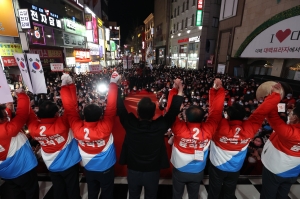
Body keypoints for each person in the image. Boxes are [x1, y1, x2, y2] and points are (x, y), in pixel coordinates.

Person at [208, 83, 282, 199]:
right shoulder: (250, 127)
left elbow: (215, 111)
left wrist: (217, 90)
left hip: (217, 166)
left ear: (227, 116)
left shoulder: (220, 126)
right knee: (230, 190)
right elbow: (261, 112)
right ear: (244, 116)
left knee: (214, 190)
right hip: (235, 167)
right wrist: (276, 95)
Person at [117, 78, 184, 199]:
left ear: (137, 111)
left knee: (133, 195)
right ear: (154, 113)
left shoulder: (130, 124)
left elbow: (120, 108)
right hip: (152, 171)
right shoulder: (160, 126)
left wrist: (114, 85)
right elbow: (173, 111)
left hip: (133, 169)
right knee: (151, 196)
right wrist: (179, 89)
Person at [60, 72, 120, 199]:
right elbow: (111, 107)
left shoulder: (77, 128)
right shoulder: (105, 127)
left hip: (88, 167)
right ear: (100, 116)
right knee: (107, 192)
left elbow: (69, 109)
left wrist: (66, 86)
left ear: (84, 115)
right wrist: (113, 83)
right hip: (106, 167)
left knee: (92, 192)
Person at [166, 78, 225, 199]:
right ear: (203, 118)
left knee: (177, 194)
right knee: (194, 195)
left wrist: (175, 90)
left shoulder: (179, 127)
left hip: (179, 170)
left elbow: (170, 111)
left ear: (186, 118)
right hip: (198, 171)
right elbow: (216, 111)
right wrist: (217, 90)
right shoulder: (209, 128)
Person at [26, 98, 82, 199]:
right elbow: (71, 108)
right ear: (56, 113)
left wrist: (23, 98)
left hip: (51, 164)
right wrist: (66, 86)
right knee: (72, 189)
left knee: (58, 188)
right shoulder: (62, 123)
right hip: (69, 163)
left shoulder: (33, 129)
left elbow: (28, 115)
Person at [0, 89, 39, 199]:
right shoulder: (8, 129)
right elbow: (22, 113)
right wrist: (22, 95)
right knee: (31, 192)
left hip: (5, 172)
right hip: (22, 168)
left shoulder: (6, 128)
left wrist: (7, 108)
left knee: (15, 193)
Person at [260, 97, 300, 198]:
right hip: (294, 171)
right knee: (282, 194)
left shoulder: (289, 132)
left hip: (275, 169)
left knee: (268, 194)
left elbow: (270, 114)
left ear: (295, 118)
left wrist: (274, 96)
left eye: (290, 114)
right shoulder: (289, 130)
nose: (288, 115)